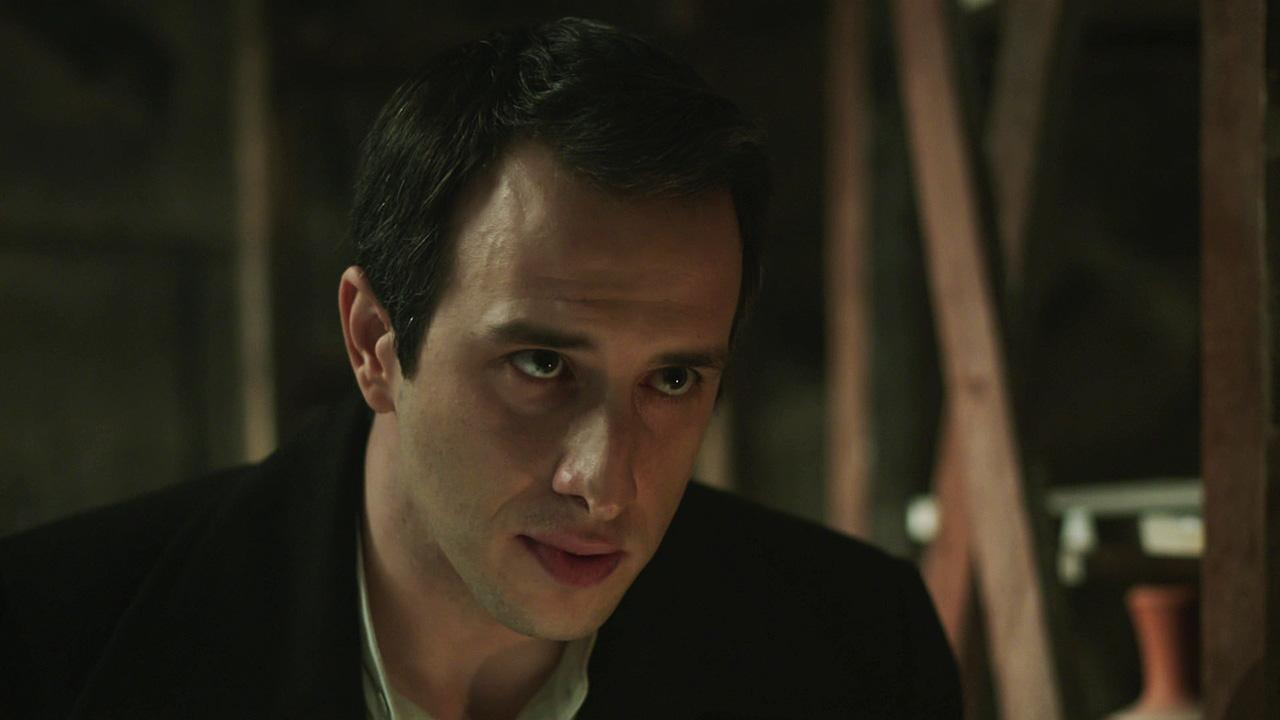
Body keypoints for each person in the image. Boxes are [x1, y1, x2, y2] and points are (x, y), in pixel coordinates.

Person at [0, 17, 960, 720]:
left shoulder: (858, 653)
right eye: (541, 364)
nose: (604, 481)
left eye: (672, 379)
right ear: (375, 342)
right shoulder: (49, 651)